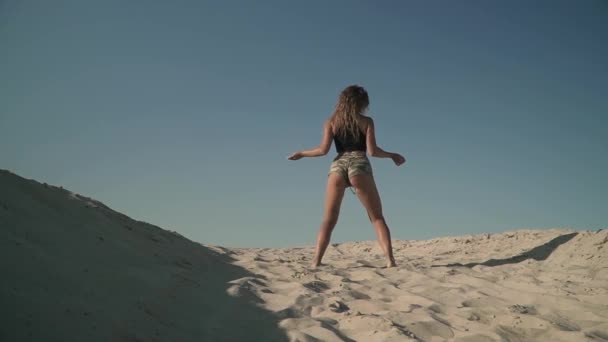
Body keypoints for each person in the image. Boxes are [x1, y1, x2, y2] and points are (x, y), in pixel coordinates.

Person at [288, 85, 406, 268]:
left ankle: (316, 261)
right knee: (377, 217)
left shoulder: (331, 122)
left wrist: (302, 153)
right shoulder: (367, 121)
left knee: (328, 218)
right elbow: (373, 151)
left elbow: (323, 150)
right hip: (359, 164)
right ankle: (390, 260)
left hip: (338, 166)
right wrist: (392, 155)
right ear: (362, 103)